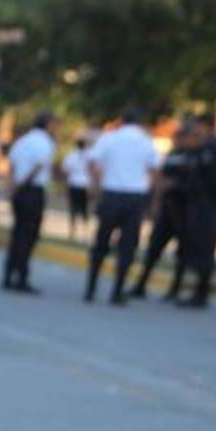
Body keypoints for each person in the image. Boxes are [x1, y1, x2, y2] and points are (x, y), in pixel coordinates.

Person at [83, 107, 160, 305]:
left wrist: (96, 186)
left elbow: (92, 162)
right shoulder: (146, 141)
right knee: (127, 247)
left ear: (121, 121)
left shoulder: (110, 138)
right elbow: (155, 170)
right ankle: (117, 291)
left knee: (101, 243)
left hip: (112, 194)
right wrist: (153, 199)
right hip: (135, 198)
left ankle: (91, 289)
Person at [130, 116, 194, 300]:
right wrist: (156, 204)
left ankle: (175, 289)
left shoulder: (194, 157)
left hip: (184, 211)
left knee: (182, 254)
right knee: (153, 250)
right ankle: (141, 284)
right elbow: (160, 179)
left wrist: (175, 185)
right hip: (167, 210)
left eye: (182, 137)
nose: (178, 140)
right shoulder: (172, 155)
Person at [175, 113, 216, 308]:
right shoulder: (201, 148)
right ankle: (197, 291)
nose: (194, 129)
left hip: (208, 207)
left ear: (206, 126)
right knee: (197, 249)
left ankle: (201, 293)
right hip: (199, 206)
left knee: (205, 250)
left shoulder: (211, 148)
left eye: (197, 125)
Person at [2, 111, 56, 294]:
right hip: (32, 191)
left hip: (19, 191)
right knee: (28, 236)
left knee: (17, 233)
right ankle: (21, 277)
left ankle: (8, 274)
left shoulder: (22, 141)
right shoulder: (45, 142)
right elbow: (38, 166)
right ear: (47, 124)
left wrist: (12, 187)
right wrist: (21, 185)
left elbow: (12, 165)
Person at [61, 131, 93, 238]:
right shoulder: (90, 156)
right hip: (84, 185)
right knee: (84, 209)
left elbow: (65, 171)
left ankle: (73, 231)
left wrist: (65, 185)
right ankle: (85, 232)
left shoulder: (71, 156)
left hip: (74, 184)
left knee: (74, 208)